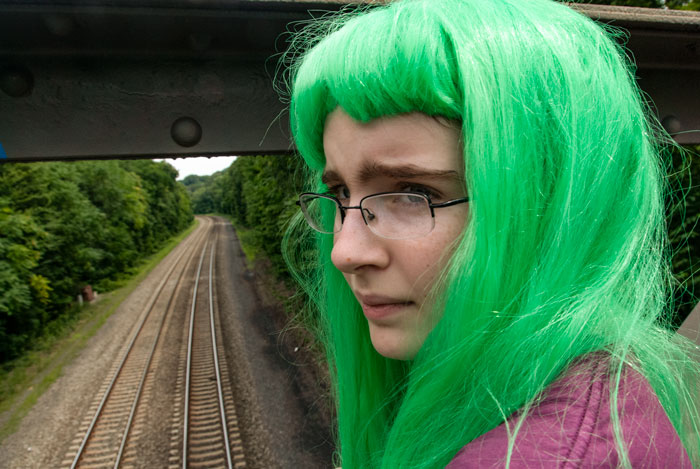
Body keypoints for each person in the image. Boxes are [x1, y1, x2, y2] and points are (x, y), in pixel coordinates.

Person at [280, 0, 700, 466]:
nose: (345, 251)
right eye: (338, 192)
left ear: (549, 209)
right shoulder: (606, 381)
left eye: (411, 193)